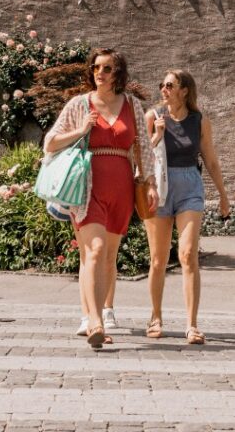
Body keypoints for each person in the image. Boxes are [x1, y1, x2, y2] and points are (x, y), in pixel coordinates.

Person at [44, 48, 158, 349]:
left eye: (107, 68)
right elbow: (50, 143)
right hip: (87, 187)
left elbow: (143, 147)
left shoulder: (132, 105)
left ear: (117, 72)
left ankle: (95, 315)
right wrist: (81, 130)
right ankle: (94, 321)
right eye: (96, 68)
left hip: (121, 186)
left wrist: (150, 184)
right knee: (93, 251)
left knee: (107, 257)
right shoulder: (78, 105)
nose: (100, 73)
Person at [144, 69, 230, 345]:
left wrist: (224, 196)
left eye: (169, 85)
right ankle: (155, 317)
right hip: (159, 187)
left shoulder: (199, 121)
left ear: (184, 90)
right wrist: (157, 134)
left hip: (190, 186)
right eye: (162, 85)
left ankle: (192, 324)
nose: (164, 89)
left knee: (188, 253)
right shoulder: (153, 116)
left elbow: (212, 160)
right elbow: (142, 157)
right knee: (158, 259)